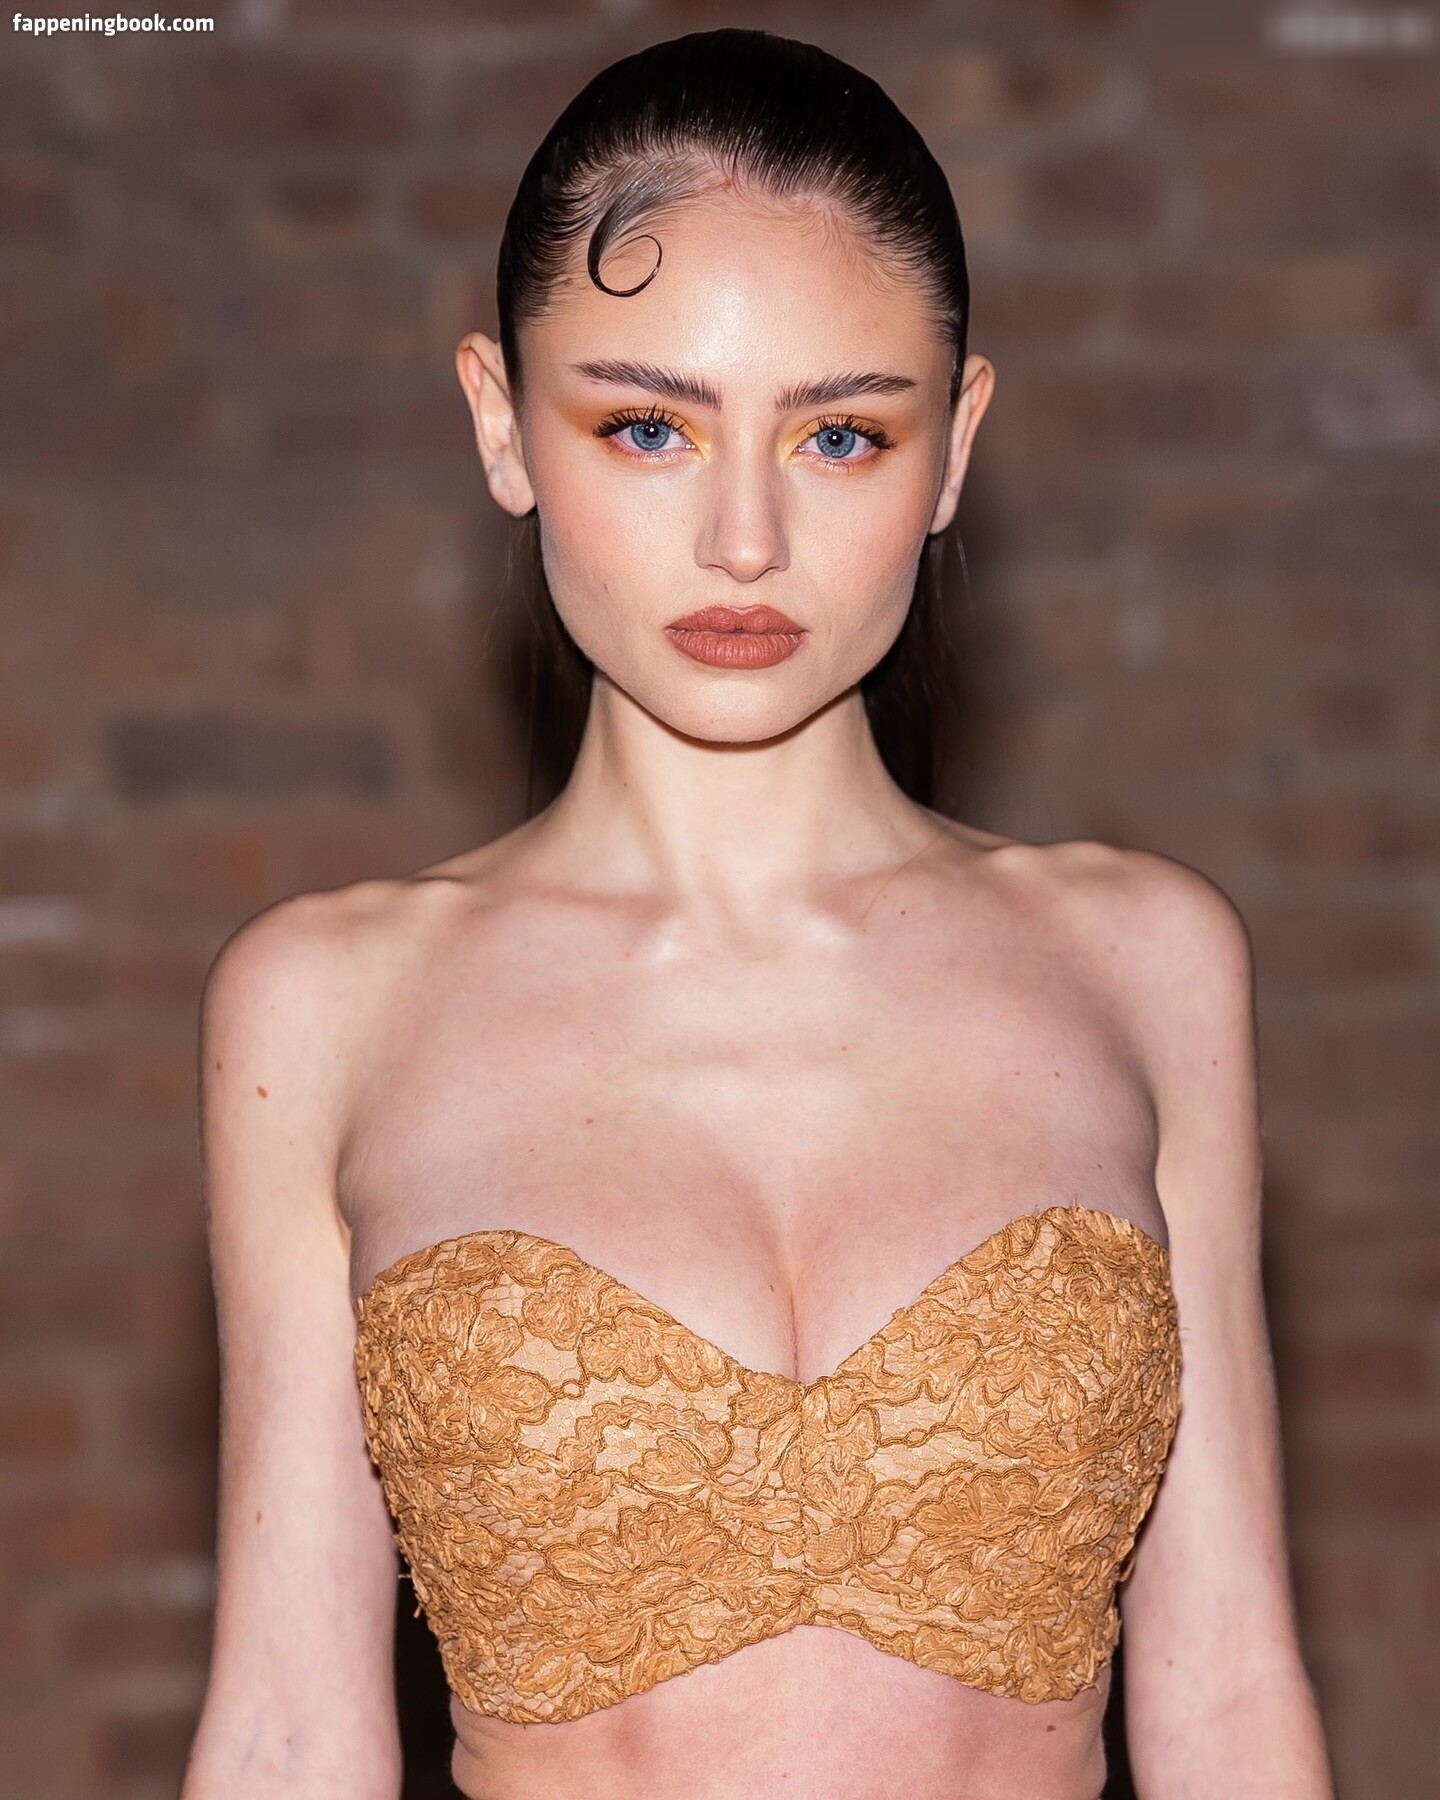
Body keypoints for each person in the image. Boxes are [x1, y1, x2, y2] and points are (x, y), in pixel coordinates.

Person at [181, 29, 1334, 1800]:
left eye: (841, 435)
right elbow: (287, 1733)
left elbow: (1234, 1699)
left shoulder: (1146, 962)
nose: (743, 540)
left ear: (954, 450)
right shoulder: (324, 1003)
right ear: (501, 423)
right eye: (647, 425)